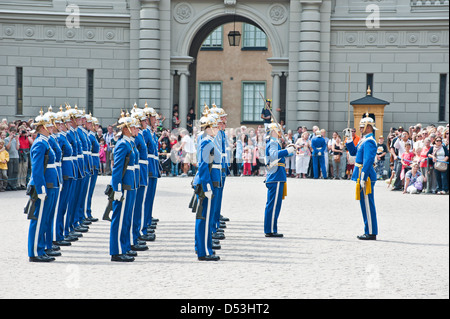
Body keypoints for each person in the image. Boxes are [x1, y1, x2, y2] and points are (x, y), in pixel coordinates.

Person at [27, 110, 60, 262]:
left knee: (44, 218)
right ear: (42, 127)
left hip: (50, 184)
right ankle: (34, 252)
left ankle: (41, 248)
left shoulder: (45, 142)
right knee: (38, 219)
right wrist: (40, 188)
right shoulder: (40, 144)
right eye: (49, 126)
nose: (52, 128)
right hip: (43, 186)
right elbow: (37, 169)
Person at [109, 111, 137, 262]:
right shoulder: (122, 145)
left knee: (126, 218)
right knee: (119, 219)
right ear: (126, 129)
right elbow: (117, 169)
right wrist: (117, 188)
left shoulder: (128, 143)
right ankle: (117, 251)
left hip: (130, 184)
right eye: (133, 127)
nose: (136, 129)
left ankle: (124, 247)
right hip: (124, 186)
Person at [345, 114, 379, 240]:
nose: (359, 128)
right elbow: (354, 152)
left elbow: (368, 160)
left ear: (368, 127)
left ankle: (371, 232)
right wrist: (349, 139)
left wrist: (363, 177)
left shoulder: (369, 141)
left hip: (366, 175)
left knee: (368, 204)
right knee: (364, 204)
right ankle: (368, 230)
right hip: (361, 174)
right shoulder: (364, 139)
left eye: (361, 126)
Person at [192, 113, 220, 261]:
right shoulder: (206, 142)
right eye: (214, 126)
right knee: (204, 218)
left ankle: (202, 248)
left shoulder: (209, 141)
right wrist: (207, 187)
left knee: (205, 218)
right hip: (206, 184)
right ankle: (204, 251)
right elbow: (203, 166)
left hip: (209, 183)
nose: (217, 128)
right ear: (208, 128)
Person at [263, 122, 295, 237]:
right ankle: (270, 229)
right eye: (278, 130)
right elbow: (274, 155)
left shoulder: (275, 143)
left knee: (275, 205)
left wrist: (289, 148)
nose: (280, 133)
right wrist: (287, 150)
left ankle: (271, 228)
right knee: (273, 205)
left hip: (277, 176)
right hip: (276, 176)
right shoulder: (272, 143)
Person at [4, 127, 19, 191]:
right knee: (10, 171)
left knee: (15, 171)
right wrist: (10, 140)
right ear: (9, 132)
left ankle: (14, 185)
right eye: (12, 132)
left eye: (14, 132)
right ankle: (9, 185)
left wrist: (17, 140)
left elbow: (17, 148)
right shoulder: (6, 139)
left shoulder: (16, 139)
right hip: (10, 156)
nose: (13, 134)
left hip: (16, 156)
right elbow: (8, 148)